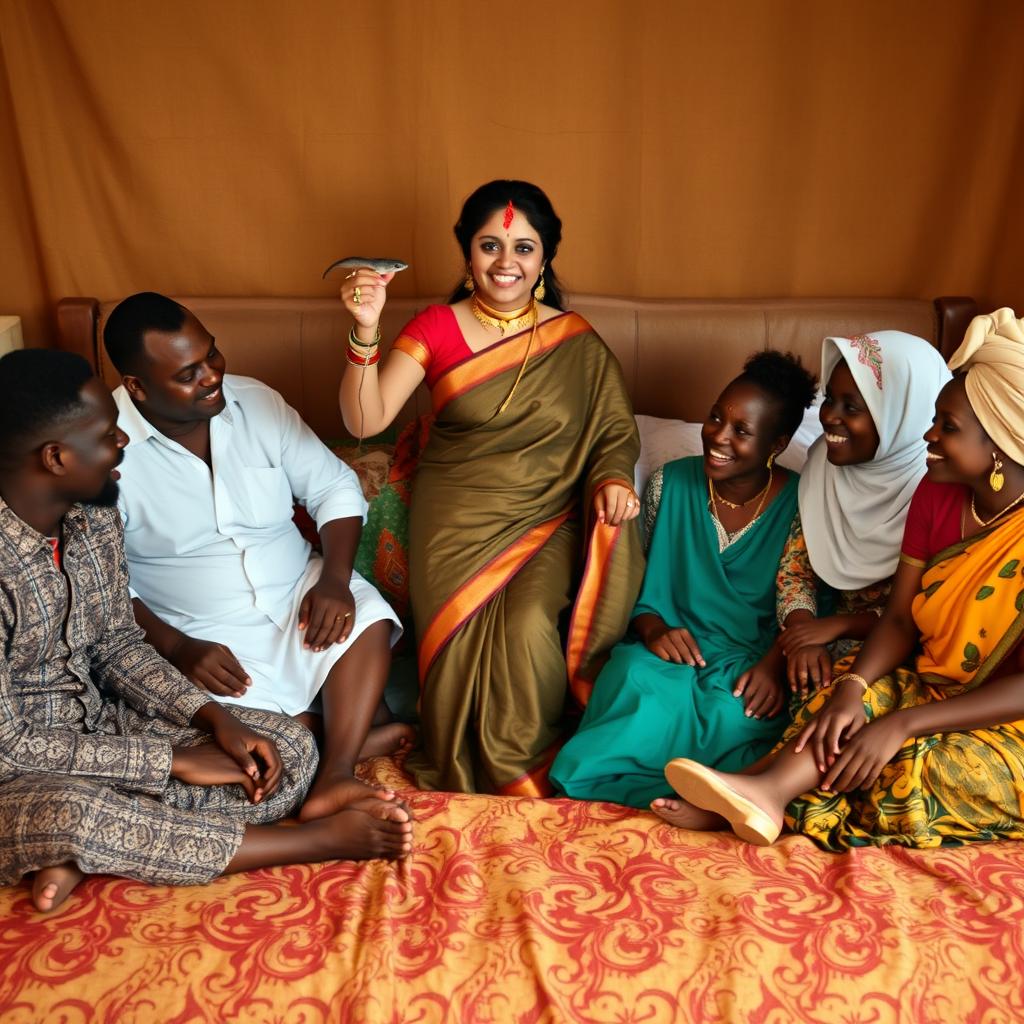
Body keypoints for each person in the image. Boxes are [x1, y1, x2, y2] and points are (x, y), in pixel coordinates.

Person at [0, 350, 412, 914]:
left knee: (274, 755)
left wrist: (213, 720)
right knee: (70, 812)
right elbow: (10, 747)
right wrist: (167, 762)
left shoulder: (89, 517)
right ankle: (303, 840)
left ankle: (86, 851)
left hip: (102, 724)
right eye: (106, 434)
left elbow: (118, 645)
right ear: (55, 456)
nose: (123, 442)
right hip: (19, 769)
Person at [663, 309, 1024, 849]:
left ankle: (765, 796)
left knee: (905, 767)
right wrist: (854, 691)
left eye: (947, 427)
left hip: (1006, 714)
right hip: (929, 681)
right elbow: (900, 618)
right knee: (836, 705)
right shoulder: (937, 493)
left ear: (999, 441)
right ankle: (761, 794)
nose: (929, 433)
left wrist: (901, 725)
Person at [337, 180, 644, 795]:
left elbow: (614, 428)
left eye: (524, 247)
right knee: (453, 648)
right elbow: (366, 420)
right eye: (490, 246)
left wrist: (611, 476)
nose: (507, 263)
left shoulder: (575, 340)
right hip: (452, 523)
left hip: (548, 517)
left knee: (530, 623)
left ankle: (521, 764)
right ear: (467, 255)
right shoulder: (436, 327)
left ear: (545, 259)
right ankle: (459, 756)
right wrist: (366, 327)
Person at [103, 292, 408, 823]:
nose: (211, 376)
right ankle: (354, 730)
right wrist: (177, 646)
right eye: (188, 372)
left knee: (368, 618)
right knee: (237, 728)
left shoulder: (257, 403)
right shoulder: (107, 447)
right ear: (137, 386)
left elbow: (334, 487)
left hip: (298, 592)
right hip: (197, 628)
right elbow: (101, 582)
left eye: (212, 355)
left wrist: (334, 580)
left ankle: (334, 773)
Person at [549, 352, 817, 807]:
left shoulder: (802, 503)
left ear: (777, 442)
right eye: (715, 417)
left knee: (736, 714)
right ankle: (657, 791)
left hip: (752, 656)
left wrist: (774, 662)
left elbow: (804, 598)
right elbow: (634, 582)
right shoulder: (666, 484)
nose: (719, 437)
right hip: (668, 649)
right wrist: (654, 629)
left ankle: (712, 798)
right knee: (631, 679)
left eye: (742, 431)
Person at [776, 332, 951, 693]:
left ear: (901, 415)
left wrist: (838, 626)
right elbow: (795, 571)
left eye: (852, 407)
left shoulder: (937, 491)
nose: (829, 418)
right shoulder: (823, 466)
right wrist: (803, 632)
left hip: (916, 654)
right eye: (829, 400)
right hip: (826, 642)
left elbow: (921, 614)